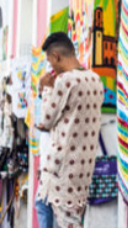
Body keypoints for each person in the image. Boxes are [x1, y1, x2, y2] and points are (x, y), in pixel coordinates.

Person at [35, 32, 104, 228]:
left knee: (67, 221)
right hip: (82, 168)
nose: (51, 68)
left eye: (50, 62)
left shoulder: (64, 81)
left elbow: (45, 122)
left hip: (61, 167)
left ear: (56, 56)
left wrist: (45, 88)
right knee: (42, 204)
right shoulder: (95, 79)